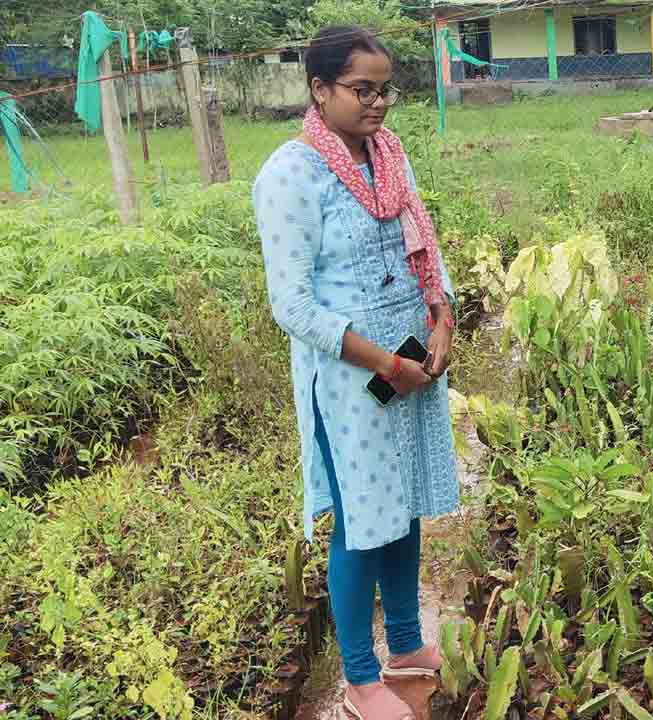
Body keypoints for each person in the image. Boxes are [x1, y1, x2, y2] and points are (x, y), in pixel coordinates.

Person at [252, 26, 458, 720]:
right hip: (351, 375)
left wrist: (442, 321)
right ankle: (360, 677)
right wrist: (382, 361)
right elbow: (293, 305)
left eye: (384, 90)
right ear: (319, 89)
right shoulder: (289, 174)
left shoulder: (390, 156)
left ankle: (404, 643)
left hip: (408, 351)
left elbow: (423, 244)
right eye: (361, 90)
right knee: (359, 524)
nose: (377, 105)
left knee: (402, 512)